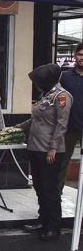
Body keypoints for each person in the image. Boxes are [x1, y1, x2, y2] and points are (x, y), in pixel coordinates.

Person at [15, 64, 71, 241]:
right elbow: (36, 118)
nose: (36, 85)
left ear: (48, 80)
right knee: (39, 186)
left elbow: (62, 124)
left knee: (49, 188)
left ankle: (53, 226)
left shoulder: (62, 96)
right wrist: (20, 126)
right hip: (35, 147)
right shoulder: (46, 95)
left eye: (38, 82)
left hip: (49, 150)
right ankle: (43, 219)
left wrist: (53, 147)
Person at [57, 42, 83, 194]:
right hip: (68, 127)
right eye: (80, 54)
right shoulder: (65, 76)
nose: (82, 58)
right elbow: (57, 97)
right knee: (62, 162)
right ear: (75, 56)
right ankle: (56, 198)